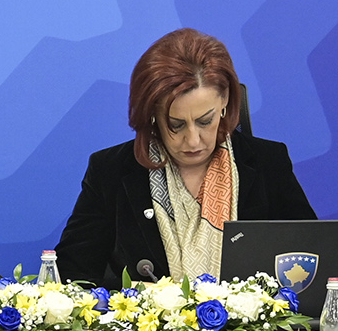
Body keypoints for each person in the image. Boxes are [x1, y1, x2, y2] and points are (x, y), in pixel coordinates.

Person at [55, 28, 316, 286]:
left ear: (224, 100)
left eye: (205, 121)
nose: (193, 140)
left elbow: (315, 258)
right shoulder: (109, 170)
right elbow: (70, 276)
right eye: (175, 125)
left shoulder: (268, 162)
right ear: (151, 114)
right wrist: (135, 292)